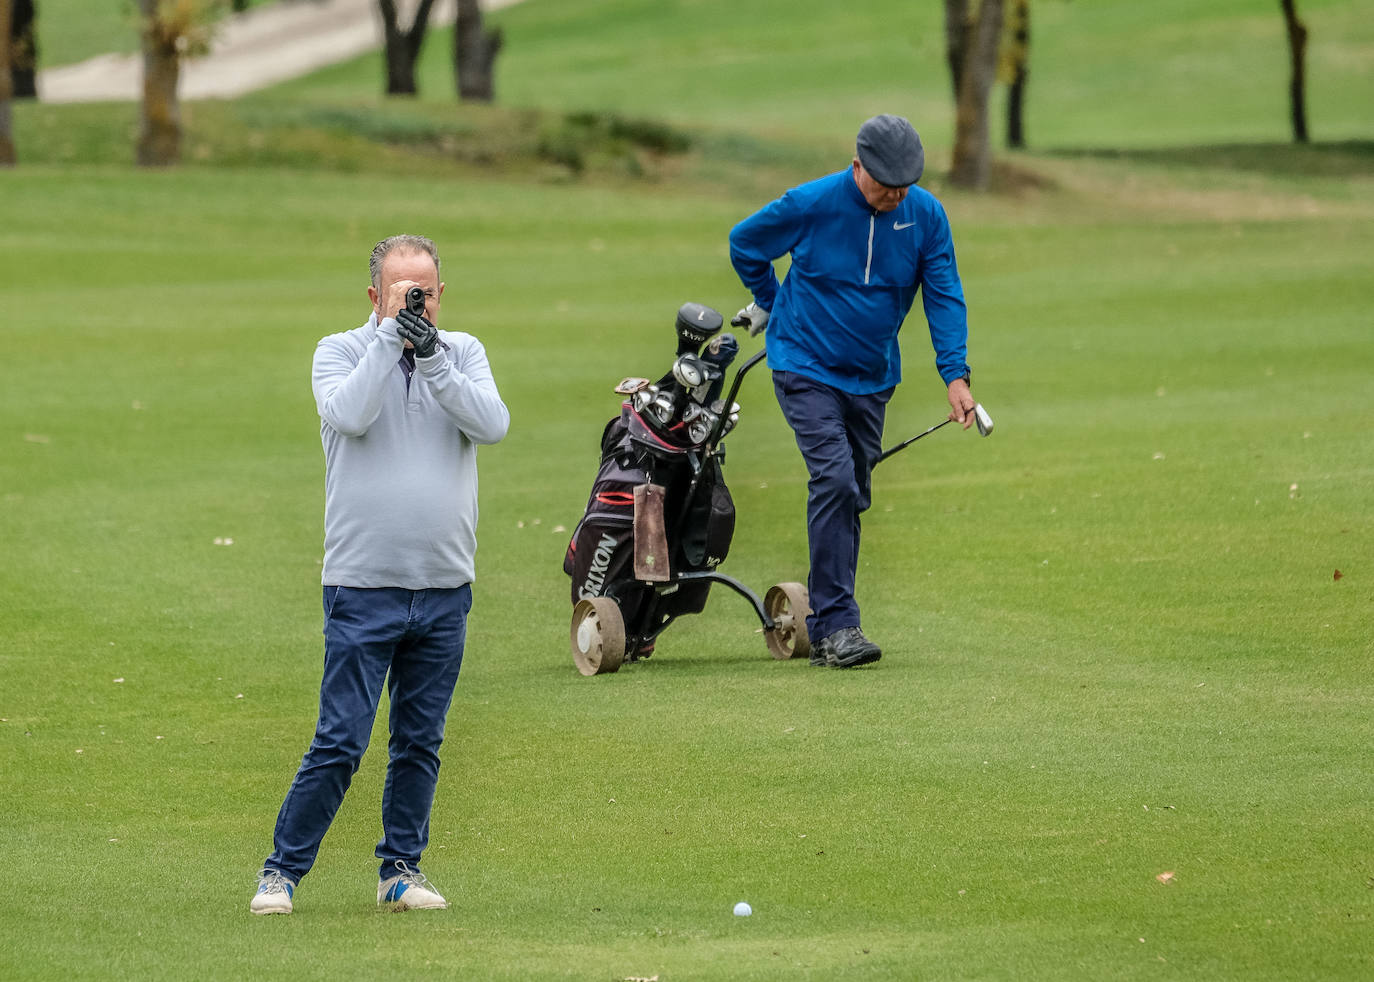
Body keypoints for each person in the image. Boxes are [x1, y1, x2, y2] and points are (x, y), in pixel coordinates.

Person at [251, 234, 510, 914]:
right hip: (363, 583)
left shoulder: (463, 354)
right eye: (401, 291)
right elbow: (349, 414)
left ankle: (401, 871)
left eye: (424, 290)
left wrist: (430, 359)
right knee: (340, 740)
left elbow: (492, 425)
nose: (415, 301)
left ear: (441, 292)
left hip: (444, 584)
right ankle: (280, 873)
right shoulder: (338, 351)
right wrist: (390, 340)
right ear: (375, 295)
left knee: (420, 741)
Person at [728, 114, 975, 670]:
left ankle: (826, 614)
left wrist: (954, 376)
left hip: (873, 375)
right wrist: (773, 300)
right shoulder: (811, 203)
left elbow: (944, 294)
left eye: (904, 184)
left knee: (851, 490)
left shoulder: (925, 215)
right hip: (804, 364)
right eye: (884, 182)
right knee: (835, 478)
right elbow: (746, 243)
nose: (894, 194)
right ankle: (838, 626)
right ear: (856, 165)